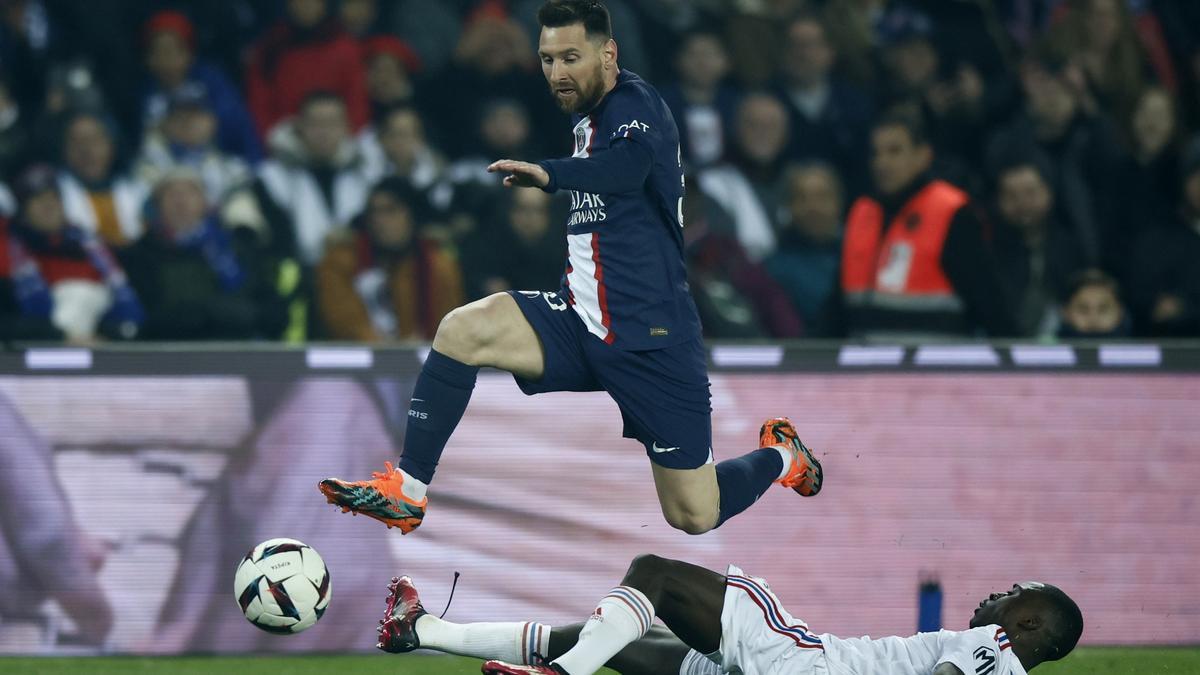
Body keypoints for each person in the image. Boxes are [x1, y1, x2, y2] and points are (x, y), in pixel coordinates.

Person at [319, 0, 823, 538]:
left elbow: (629, 170)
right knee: (462, 330)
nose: (557, 73)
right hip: (579, 323)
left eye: (570, 57)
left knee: (693, 514)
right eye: (547, 59)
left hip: (652, 340)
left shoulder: (637, 103)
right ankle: (408, 490)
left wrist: (551, 174)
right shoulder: (588, 121)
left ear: (609, 54)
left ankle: (781, 456)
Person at [373, 554, 1083, 675]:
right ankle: (423, 631)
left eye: (1013, 592)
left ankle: (560, 673)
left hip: (802, 663)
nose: (995, 595)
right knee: (616, 642)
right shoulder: (996, 651)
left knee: (651, 574)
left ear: (1026, 625)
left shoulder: (994, 649)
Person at [840, 111, 1018, 340]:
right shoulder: (862, 213)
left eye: (894, 151)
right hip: (866, 368)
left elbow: (990, 303)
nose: (882, 163)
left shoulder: (951, 213)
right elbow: (838, 308)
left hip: (934, 370)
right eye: (876, 153)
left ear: (923, 156)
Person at [315, 177, 463, 341]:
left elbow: (449, 328)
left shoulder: (439, 266)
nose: (379, 220)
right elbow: (345, 324)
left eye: (391, 210)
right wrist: (393, 351)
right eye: (374, 212)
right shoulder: (341, 262)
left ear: (412, 215)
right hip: (363, 361)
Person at [1057, 268, 1130, 338]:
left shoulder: (1139, 350)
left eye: (1103, 309)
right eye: (1083, 310)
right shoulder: (1046, 349)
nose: (1093, 319)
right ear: (1065, 313)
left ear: (1120, 312)